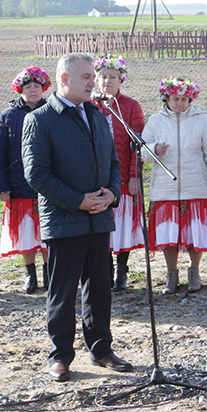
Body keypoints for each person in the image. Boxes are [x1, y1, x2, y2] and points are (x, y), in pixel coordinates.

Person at [22, 53, 132, 382]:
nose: (92, 82)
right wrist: (78, 201)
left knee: (99, 287)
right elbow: (37, 174)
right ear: (64, 80)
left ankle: (101, 349)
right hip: (64, 219)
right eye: (85, 77)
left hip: (99, 218)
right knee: (63, 290)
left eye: (93, 76)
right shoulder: (40, 119)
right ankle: (61, 355)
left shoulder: (98, 116)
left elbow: (113, 162)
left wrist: (112, 193)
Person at [142, 78, 207, 295]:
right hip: (165, 189)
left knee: (195, 232)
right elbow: (142, 152)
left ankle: (194, 272)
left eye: (184, 99)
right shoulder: (155, 121)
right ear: (166, 98)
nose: (180, 103)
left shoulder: (202, 120)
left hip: (195, 186)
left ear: (190, 98)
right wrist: (154, 149)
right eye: (175, 99)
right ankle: (171, 273)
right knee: (168, 233)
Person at [0, 66, 52, 294]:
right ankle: (30, 274)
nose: (33, 90)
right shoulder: (7, 117)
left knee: (47, 230)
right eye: (28, 86)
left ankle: (49, 272)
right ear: (20, 89)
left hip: (48, 184)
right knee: (26, 232)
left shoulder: (52, 112)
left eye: (37, 86)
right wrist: (2, 186)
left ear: (43, 88)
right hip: (19, 184)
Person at [92, 55, 145, 292]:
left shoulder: (130, 106)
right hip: (95, 179)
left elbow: (137, 144)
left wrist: (134, 175)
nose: (107, 81)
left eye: (112, 77)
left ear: (120, 80)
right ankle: (104, 268)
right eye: (103, 77)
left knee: (122, 226)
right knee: (101, 227)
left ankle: (121, 269)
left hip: (122, 178)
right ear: (95, 80)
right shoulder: (88, 105)